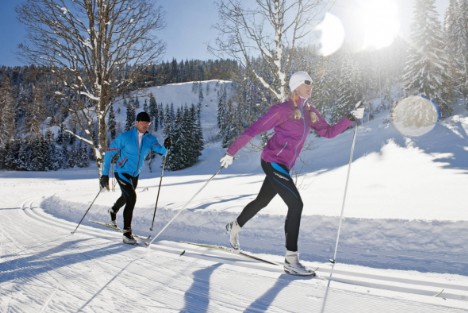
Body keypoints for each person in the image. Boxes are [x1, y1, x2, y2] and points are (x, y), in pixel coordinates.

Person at [219, 71, 364, 276]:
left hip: (284, 165)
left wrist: (350, 118)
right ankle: (291, 260)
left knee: (262, 201)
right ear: (295, 86)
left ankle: (235, 226)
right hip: (272, 161)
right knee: (296, 204)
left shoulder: (309, 111)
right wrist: (231, 152)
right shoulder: (283, 109)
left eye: (312, 84)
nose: (310, 87)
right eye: (306, 84)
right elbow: (254, 129)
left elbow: (328, 132)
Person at [100, 111, 171, 244]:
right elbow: (109, 154)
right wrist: (104, 174)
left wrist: (166, 147)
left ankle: (113, 210)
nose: (145, 125)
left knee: (126, 197)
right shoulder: (125, 137)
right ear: (137, 123)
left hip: (135, 174)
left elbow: (161, 151)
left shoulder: (150, 139)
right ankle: (127, 233)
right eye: (143, 122)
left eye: (148, 123)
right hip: (121, 171)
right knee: (132, 198)